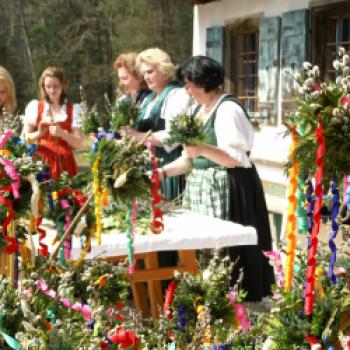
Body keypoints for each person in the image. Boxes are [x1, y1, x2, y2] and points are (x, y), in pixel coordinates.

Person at [158, 55, 275, 302]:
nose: (186, 90)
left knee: (226, 249)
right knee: (203, 249)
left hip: (229, 187)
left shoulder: (228, 109)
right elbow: (188, 158)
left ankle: (231, 301)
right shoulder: (200, 111)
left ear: (205, 82)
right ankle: (207, 296)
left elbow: (234, 157)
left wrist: (201, 148)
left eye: (190, 84)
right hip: (202, 190)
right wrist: (162, 172)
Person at [123, 47, 191, 201]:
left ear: (164, 69)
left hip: (168, 166)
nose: (146, 77)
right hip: (148, 166)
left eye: (150, 71)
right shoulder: (149, 98)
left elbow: (174, 137)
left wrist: (140, 136)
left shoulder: (176, 95)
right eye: (144, 73)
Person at [22, 66, 83, 179]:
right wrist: (39, 134)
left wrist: (63, 134)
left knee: (67, 195)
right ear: (43, 87)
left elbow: (79, 144)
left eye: (55, 86)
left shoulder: (73, 109)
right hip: (42, 164)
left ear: (63, 86)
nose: (52, 90)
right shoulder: (36, 107)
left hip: (66, 164)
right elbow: (23, 138)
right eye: (48, 86)